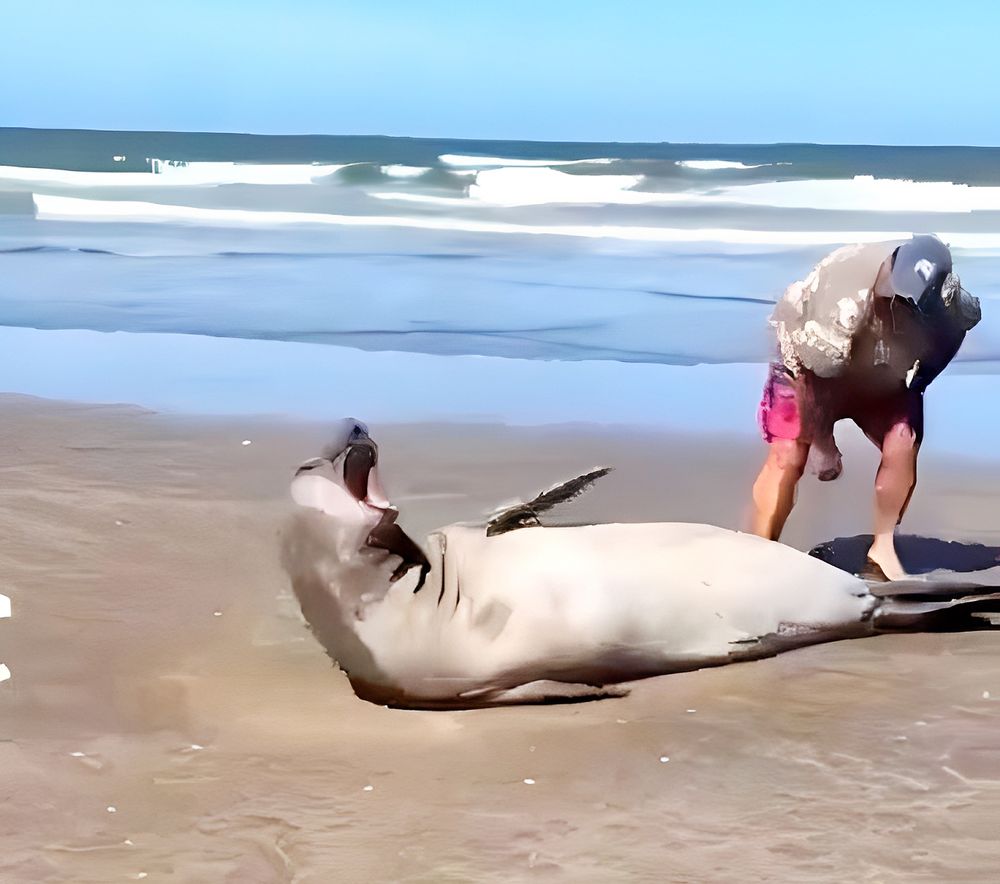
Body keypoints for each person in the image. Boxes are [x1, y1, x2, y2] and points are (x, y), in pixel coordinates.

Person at [749, 235, 981, 580]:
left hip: (881, 370)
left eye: (909, 305)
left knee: (903, 440)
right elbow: (810, 380)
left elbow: (949, 340)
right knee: (789, 454)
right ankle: (758, 551)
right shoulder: (842, 302)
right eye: (893, 298)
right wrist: (824, 446)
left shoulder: (954, 308)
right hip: (806, 361)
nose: (895, 307)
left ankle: (882, 548)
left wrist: (917, 383)